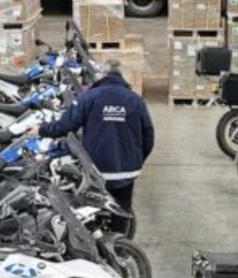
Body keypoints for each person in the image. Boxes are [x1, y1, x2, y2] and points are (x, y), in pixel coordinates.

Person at [28, 59, 154, 231]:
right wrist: (136, 161)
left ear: (103, 75)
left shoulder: (89, 97)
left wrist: (41, 129)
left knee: (90, 206)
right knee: (122, 208)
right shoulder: (135, 100)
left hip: (96, 169)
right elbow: (148, 136)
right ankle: (120, 241)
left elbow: (66, 125)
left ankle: (95, 237)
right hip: (126, 171)